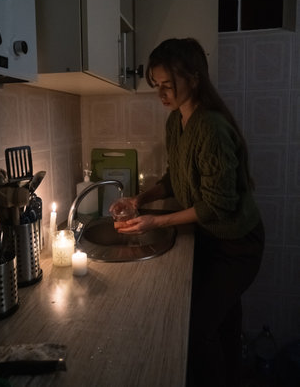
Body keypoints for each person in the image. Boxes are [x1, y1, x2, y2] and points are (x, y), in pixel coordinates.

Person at [109, 37, 265, 387]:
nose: (161, 93)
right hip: (212, 240)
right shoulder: (175, 121)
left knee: (198, 331)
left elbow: (217, 205)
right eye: (157, 85)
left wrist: (156, 219)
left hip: (238, 246)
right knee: (221, 323)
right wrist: (138, 200)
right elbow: (173, 179)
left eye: (167, 84)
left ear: (194, 78)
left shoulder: (211, 127)